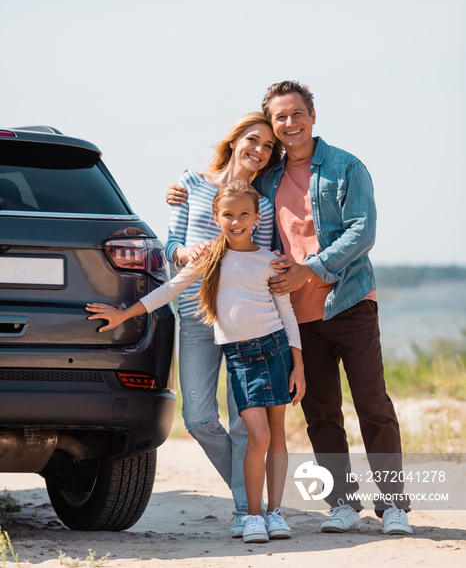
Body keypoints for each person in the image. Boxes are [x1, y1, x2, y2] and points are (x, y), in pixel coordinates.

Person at [87, 180, 306, 543]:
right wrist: (123, 315)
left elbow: (288, 316)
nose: (236, 221)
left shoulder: (269, 262)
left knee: (277, 436)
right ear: (216, 216)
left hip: (275, 350)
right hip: (240, 357)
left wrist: (299, 366)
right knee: (259, 435)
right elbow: (170, 290)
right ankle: (252, 514)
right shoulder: (210, 259)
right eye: (228, 215)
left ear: (256, 217)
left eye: (244, 215)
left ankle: (276, 513)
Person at [252, 80, 412, 535]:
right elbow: (227, 197)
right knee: (320, 411)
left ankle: (394, 504)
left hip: (350, 302)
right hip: (296, 315)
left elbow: (363, 232)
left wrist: (311, 268)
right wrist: (182, 189)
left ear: (312, 116)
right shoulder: (266, 179)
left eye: (296, 113)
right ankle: (341, 503)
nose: (289, 123)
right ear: (273, 125)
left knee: (373, 404)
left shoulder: (346, 167)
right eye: (280, 117)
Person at [151, 112, 282, 538]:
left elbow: (260, 260)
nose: (259, 151)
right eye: (253, 140)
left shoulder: (261, 198)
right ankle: (254, 500)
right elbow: (170, 245)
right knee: (199, 417)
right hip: (195, 315)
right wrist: (187, 253)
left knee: (246, 423)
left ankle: (247, 512)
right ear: (235, 139)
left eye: (267, 147)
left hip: (246, 323)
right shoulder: (190, 184)